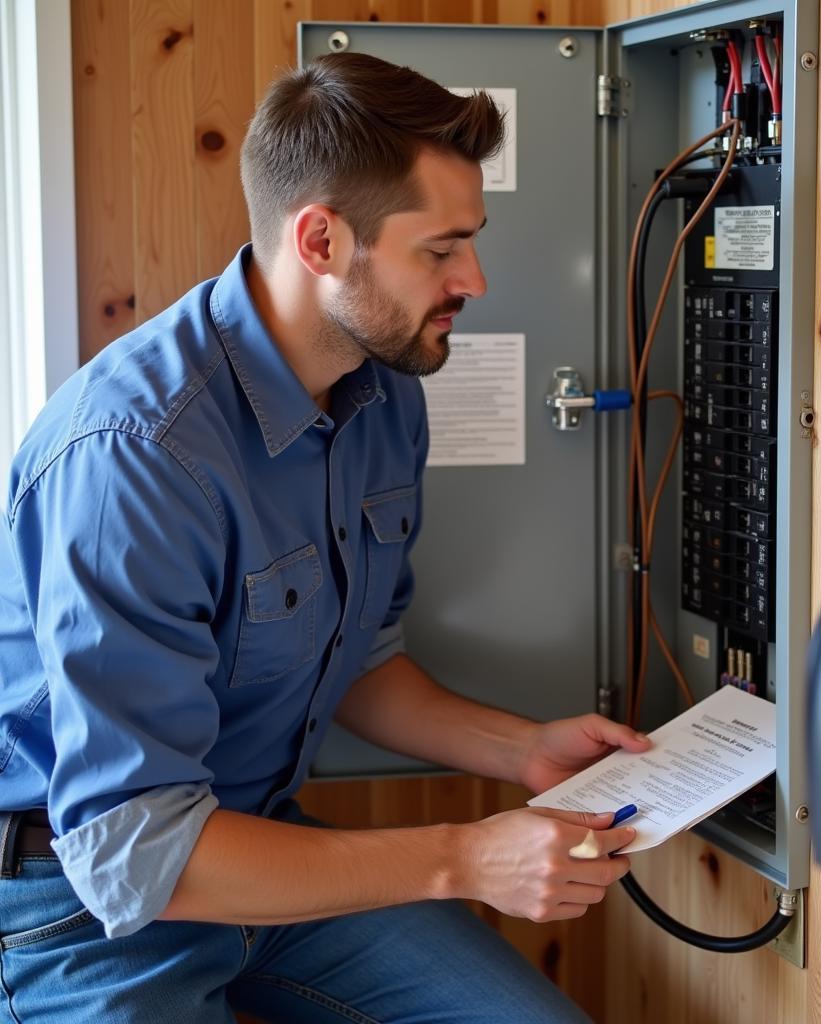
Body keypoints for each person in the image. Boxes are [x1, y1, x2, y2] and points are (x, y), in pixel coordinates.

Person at [0, 52, 650, 1023]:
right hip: (85, 907)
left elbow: (359, 661)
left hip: (268, 852)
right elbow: (135, 854)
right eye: (440, 250)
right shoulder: (133, 455)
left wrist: (523, 749)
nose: (473, 278)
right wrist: (468, 857)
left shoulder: (384, 394)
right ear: (320, 240)